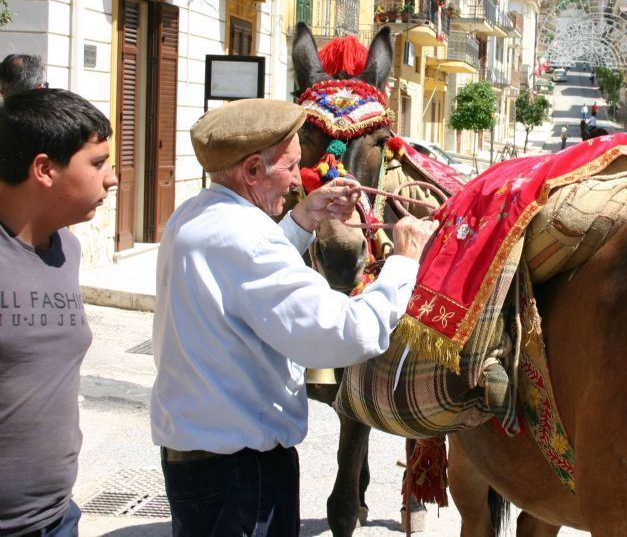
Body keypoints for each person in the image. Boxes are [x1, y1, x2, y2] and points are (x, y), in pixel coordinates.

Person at [151, 98, 436, 536]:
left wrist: (303, 219)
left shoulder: (194, 216)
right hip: (241, 478)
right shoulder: (246, 240)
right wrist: (404, 261)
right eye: (291, 167)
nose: (296, 181)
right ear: (251, 171)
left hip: (200, 465)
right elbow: (346, 332)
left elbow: (247, 277)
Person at [0, 88, 118, 536]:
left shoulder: (66, 248)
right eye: (97, 163)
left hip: (56, 518)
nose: (111, 178)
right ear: (44, 169)